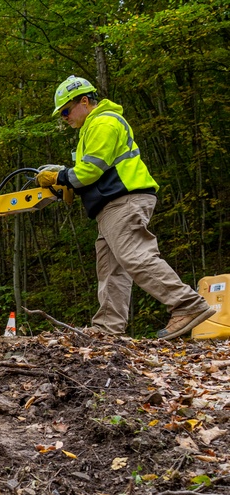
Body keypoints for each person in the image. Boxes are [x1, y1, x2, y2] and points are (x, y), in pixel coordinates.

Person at [36, 75, 214, 340]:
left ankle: (187, 304)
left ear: (84, 101)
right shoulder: (92, 128)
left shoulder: (103, 122)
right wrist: (65, 174)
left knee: (135, 255)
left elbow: (91, 170)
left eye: (65, 111)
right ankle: (107, 328)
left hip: (123, 199)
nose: (64, 118)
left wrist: (60, 177)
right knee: (110, 268)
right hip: (109, 206)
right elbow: (94, 168)